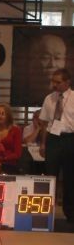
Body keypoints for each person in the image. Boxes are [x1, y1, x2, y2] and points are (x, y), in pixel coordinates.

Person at [39, 68, 74, 222]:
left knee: (69, 178)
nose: (54, 85)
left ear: (67, 82)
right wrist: (43, 144)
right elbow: (45, 124)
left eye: (58, 82)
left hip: (70, 139)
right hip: (53, 139)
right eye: (53, 81)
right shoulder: (49, 98)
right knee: (50, 176)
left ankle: (70, 213)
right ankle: (47, 212)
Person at [29, 34, 67, 106]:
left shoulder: (70, 97)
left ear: (64, 61)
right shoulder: (27, 93)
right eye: (46, 57)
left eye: (57, 58)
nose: (52, 64)